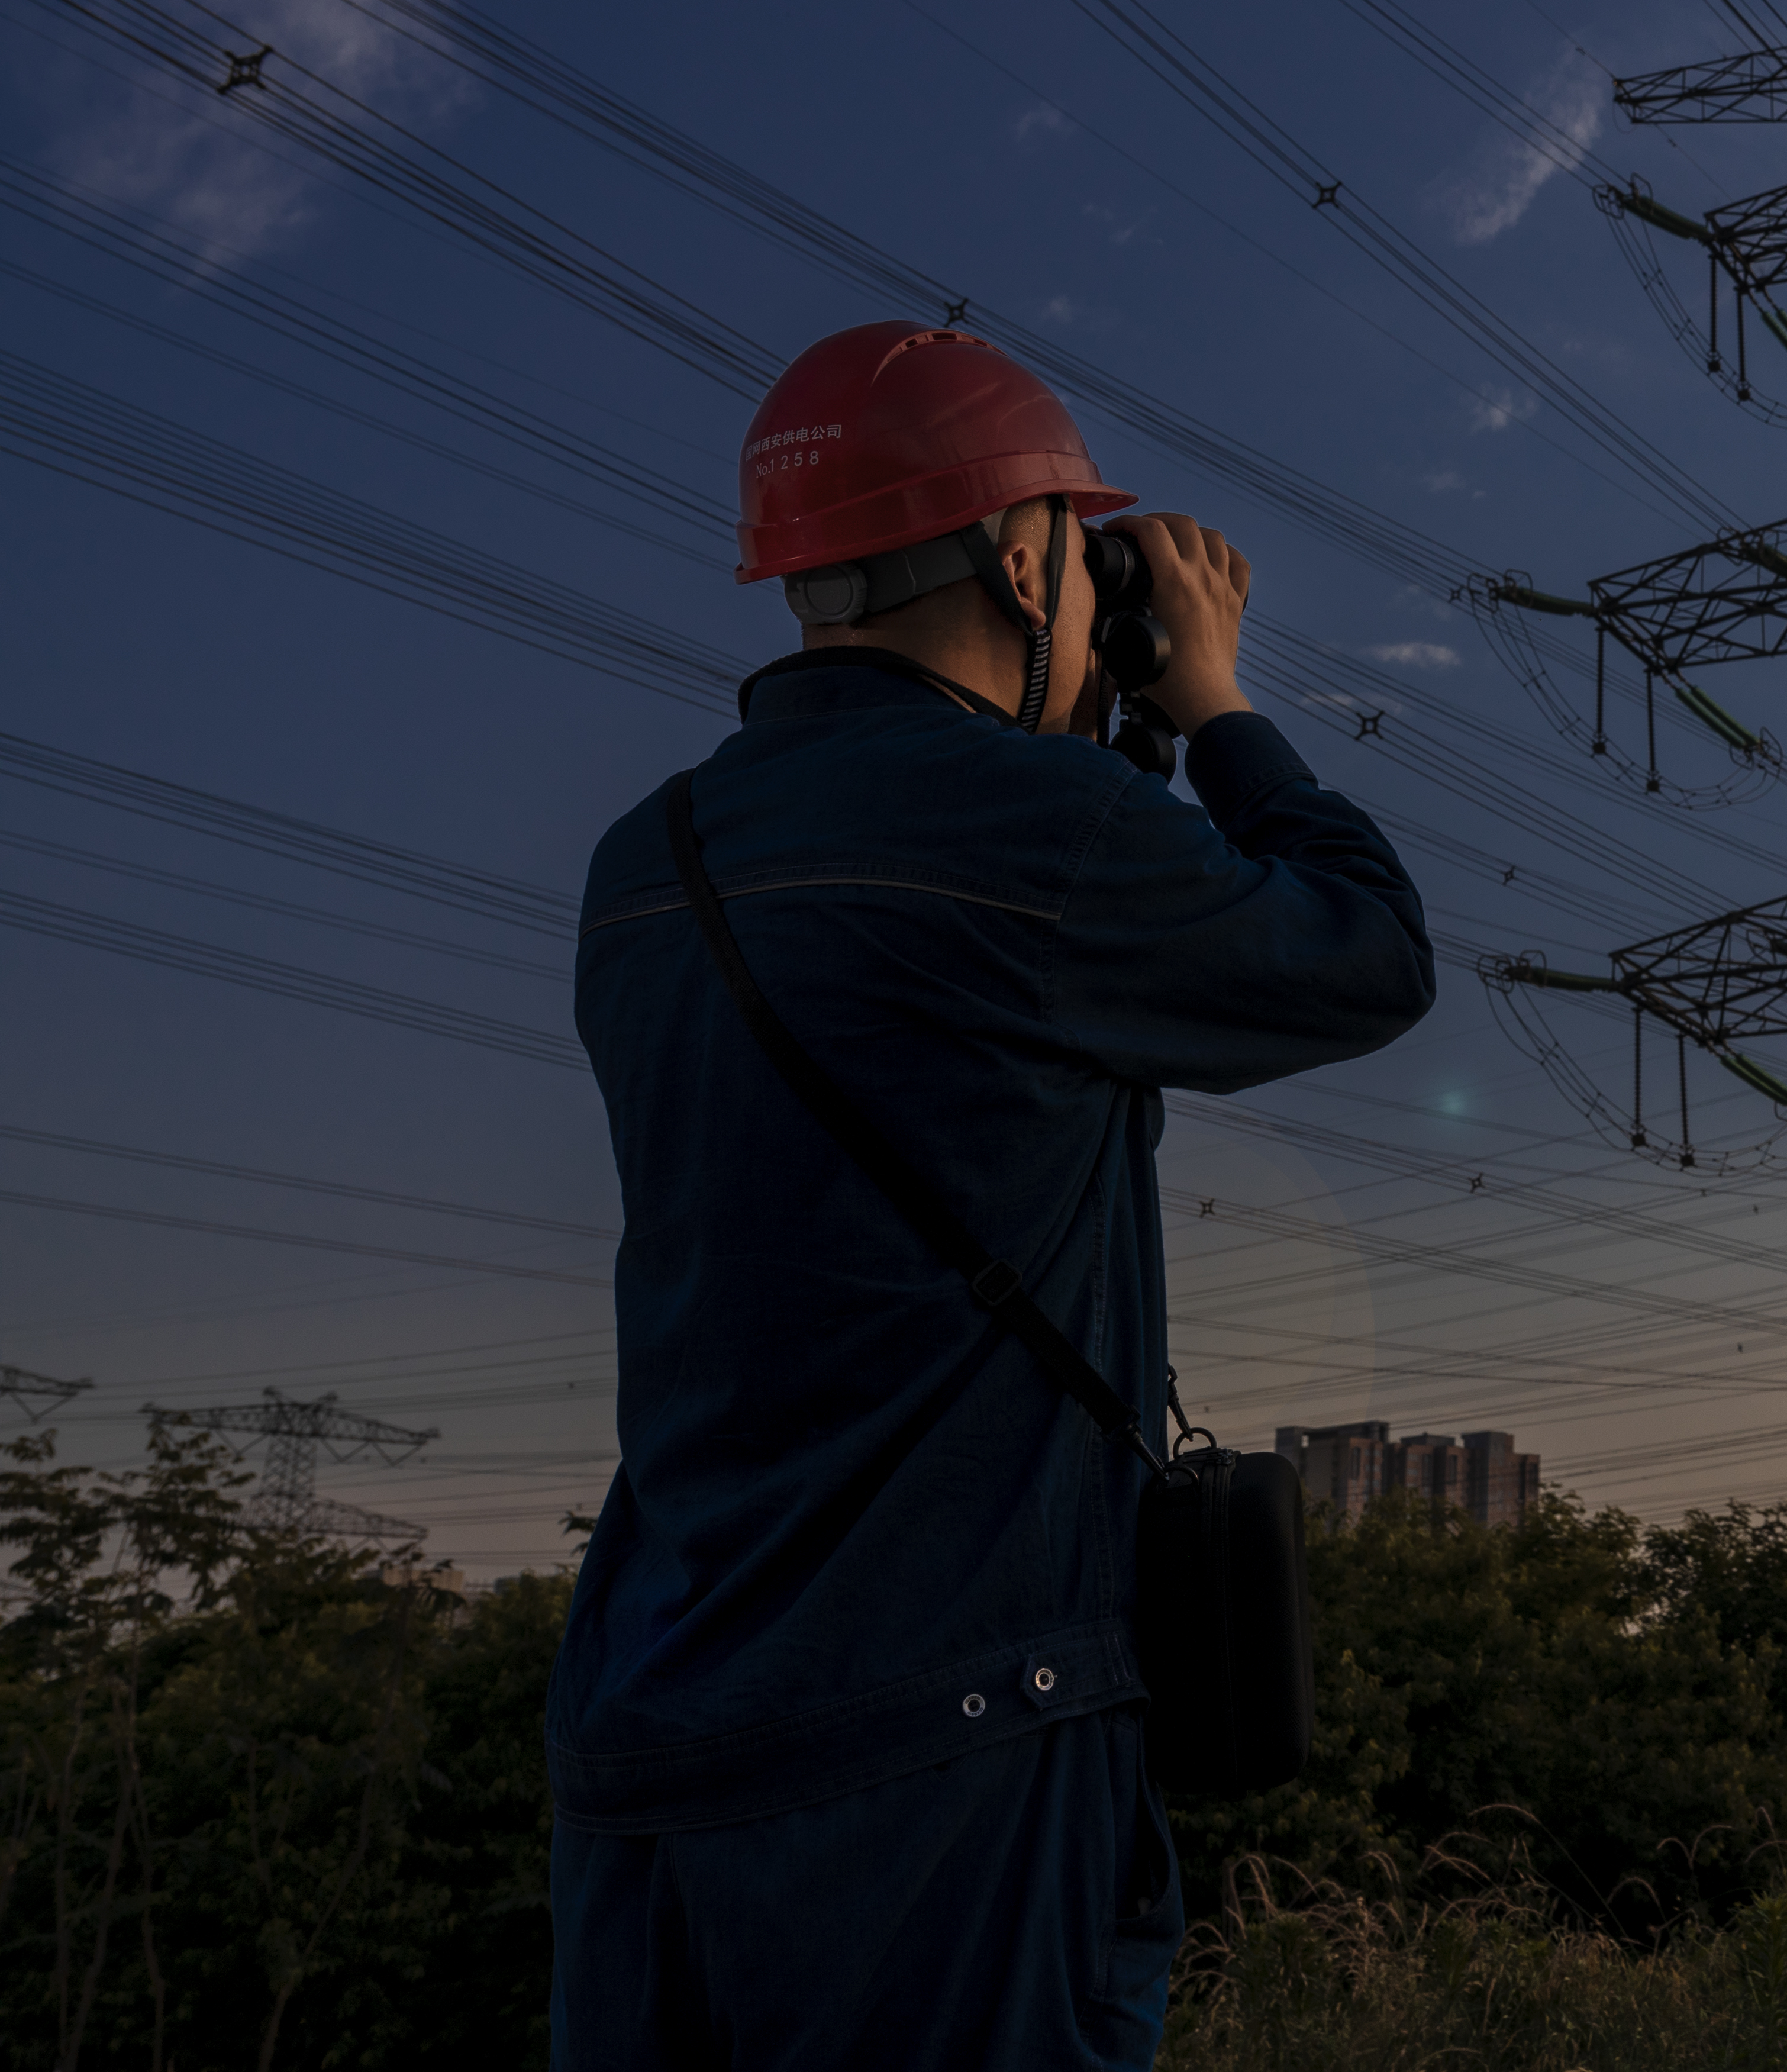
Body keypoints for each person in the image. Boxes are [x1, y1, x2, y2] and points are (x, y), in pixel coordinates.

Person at [547, 320, 1434, 2067]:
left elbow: (955, 1030)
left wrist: (1103, 741)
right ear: (1032, 561)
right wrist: (1218, 701)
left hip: (655, 1743)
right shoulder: (1047, 841)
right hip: (945, 1747)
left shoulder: (641, 862)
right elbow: (1367, 953)